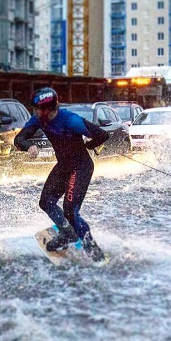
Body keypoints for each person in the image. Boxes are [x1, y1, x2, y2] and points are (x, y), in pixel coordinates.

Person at [15, 87, 109, 260]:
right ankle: (67, 233)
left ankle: (95, 252)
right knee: (46, 202)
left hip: (80, 167)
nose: (34, 112)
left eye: (37, 109)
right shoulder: (38, 120)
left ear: (49, 109)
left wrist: (89, 145)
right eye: (34, 108)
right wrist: (29, 146)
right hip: (64, 166)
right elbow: (18, 140)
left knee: (70, 212)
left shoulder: (70, 120)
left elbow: (102, 135)